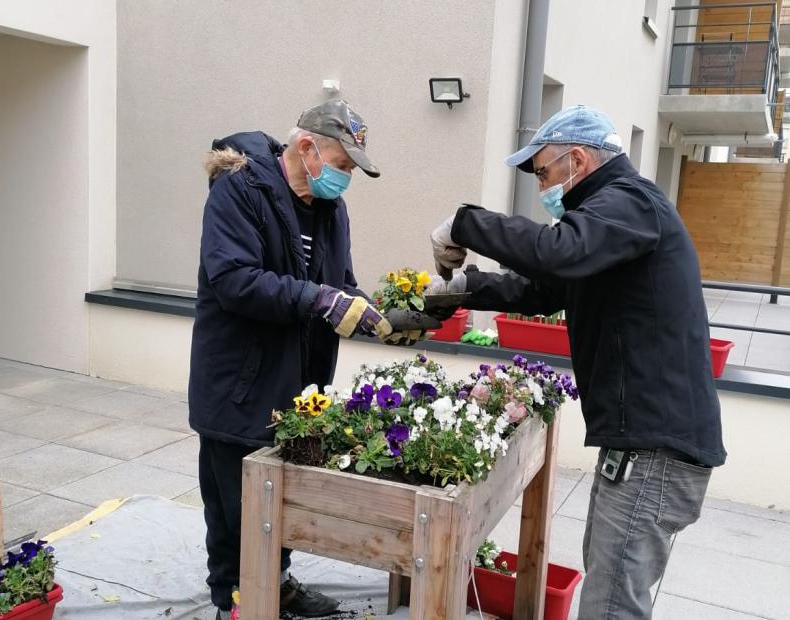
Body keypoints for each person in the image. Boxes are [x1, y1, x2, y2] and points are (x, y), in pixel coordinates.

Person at [427, 105, 726, 619]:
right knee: (610, 593)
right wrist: (462, 289)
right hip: (647, 446)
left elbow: (556, 254)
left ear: (579, 160)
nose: (542, 185)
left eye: (543, 172)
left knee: (610, 607)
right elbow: (547, 287)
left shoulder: (628, 203)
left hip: (654, 450)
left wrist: (465, 223)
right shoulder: (610, 220)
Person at [189, 100, 406, 619]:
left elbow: (337, 285)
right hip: (238, 382)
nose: (346, 176)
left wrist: (380, 317)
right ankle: (234, 601)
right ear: (307, 148)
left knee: (278, 501)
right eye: (344, 163)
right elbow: (235, 280)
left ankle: (278, 586)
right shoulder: (240, 191)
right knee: (234, 508)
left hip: (297, 380)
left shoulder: (330, 209)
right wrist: (320, 299)